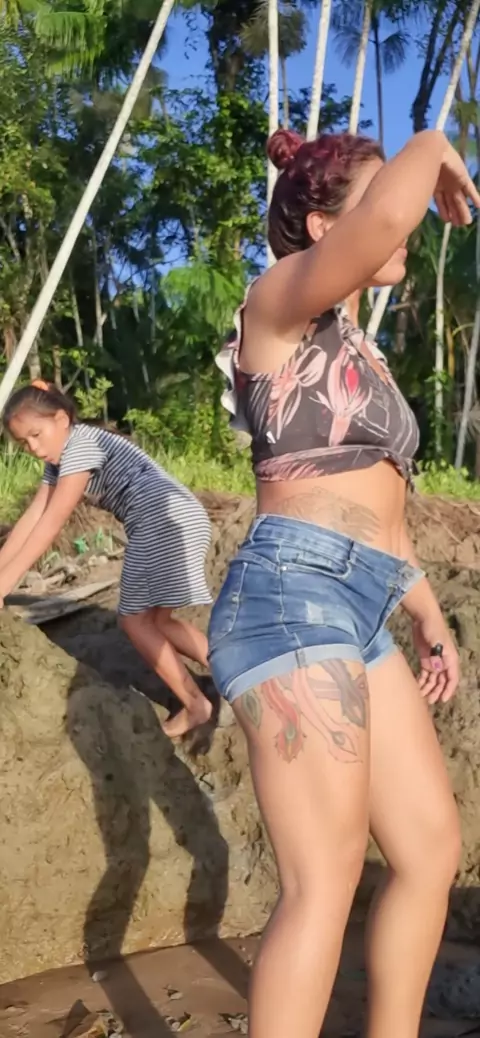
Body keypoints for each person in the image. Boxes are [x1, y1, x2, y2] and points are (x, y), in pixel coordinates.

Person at [208, 127, 480, 1038]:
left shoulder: (360, 349)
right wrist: (433, 144)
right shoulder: (277, 306)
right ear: (324, 226)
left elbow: (381, 510)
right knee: (321, 879)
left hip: (363, 602)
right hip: (290, 594)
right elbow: (390, 218)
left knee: (429, 848)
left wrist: (426, 614)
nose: (398, 226)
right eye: (368, 203)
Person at [1, 380, 213, 737]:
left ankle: (196, 705)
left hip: (161, 520)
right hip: (182, 516)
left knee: (134, 621)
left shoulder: (80, 445)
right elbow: (32, 518)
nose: (34, 448)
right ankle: (237, 677)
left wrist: (5, 584)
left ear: (61, 419)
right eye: (24, 443)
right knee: (157, 621)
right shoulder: (60, 459)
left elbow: (52, 522)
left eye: (37, 434)